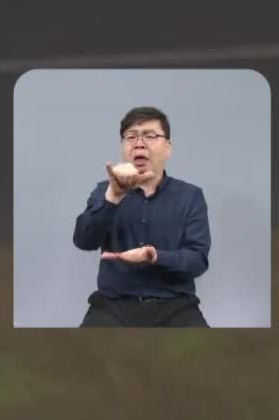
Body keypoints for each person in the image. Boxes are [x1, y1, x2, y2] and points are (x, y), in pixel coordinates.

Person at [70, 106, 212, 326]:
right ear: (123, 147)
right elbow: (83, 241)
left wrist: (155, 256)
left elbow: (198, 261)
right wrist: (112, 198)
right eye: (130, 137)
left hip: (176, 306)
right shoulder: (104, 191)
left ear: (168, 147)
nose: (139, 143)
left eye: (150, 135)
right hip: (112, 306)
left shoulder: (190, 196)